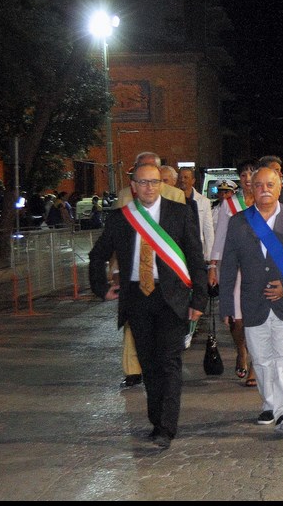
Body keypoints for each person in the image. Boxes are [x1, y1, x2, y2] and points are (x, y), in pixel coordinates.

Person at [88, 163, 207, 449]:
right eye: (143, 182)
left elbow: (195, 257)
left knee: (169, 362)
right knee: (150, 365)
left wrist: (199, 300)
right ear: (133, 186)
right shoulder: (120, 219)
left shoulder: (179, 213)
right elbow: (97, 255)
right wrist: (101, 289)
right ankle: (157, 421)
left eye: (154, 182)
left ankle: (166, 427)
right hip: (137, 298)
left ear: (162, 185)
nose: (149, 188)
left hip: (172, 298)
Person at [219, 166, 283, 436]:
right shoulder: (239, 221)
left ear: (280, 186)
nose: (264, 190)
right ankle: (269, 403)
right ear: (250, 188)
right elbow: (228, 265)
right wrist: (227, 304)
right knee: (260, 358)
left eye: (270, 185)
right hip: (253, 302)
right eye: (258, 185)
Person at [114, 152, 187, 388]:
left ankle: (162, 367)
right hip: (135, 277)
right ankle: (133, 369)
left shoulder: (175, 196)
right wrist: (114, 269)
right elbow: (117, 239)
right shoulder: (124, 197)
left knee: (166, 332)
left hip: (165, 275)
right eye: (140, 170)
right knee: (131, 326)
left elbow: (183, 238)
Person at [208, 160, 259, 387]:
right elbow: (220, 235)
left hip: (259, 267)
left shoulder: (265, 199)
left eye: (251, 173)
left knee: (256, 317)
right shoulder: (230, 204)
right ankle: (241, 351)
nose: (248, 178)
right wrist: (213, 266)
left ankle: (255, 367)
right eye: (244, 174)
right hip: (234, 266)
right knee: (236, 319)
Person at [177, 166, 214, 348]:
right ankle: (183, 328)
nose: (182, 180)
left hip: (196, 254)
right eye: (180, 177)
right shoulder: (173, 199)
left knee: (195, 292)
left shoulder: (203, 202)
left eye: (186, 177)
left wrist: (210, 258)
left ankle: (190, 329)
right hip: (177, 254)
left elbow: (208, 231)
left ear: (193, 181)